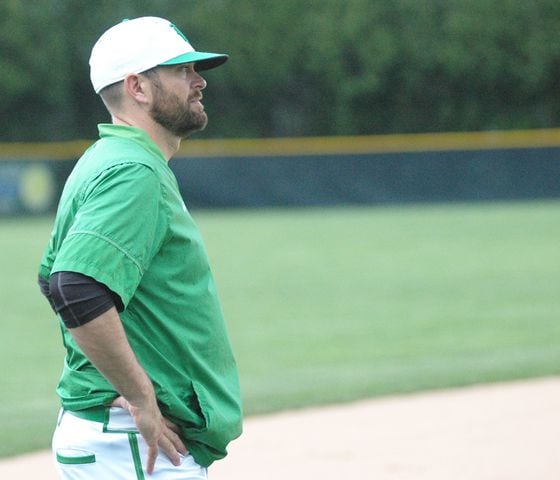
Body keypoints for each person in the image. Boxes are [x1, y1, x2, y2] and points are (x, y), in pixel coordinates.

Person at [37, 16, 242, 479]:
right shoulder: (134, 171)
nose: (199, 80)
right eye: (181, 71)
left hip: (117, 438)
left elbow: (52, 279)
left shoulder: (105, 159)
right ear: (138, 87)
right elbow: (74, 286)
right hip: (137, 444)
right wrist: (140, 396)